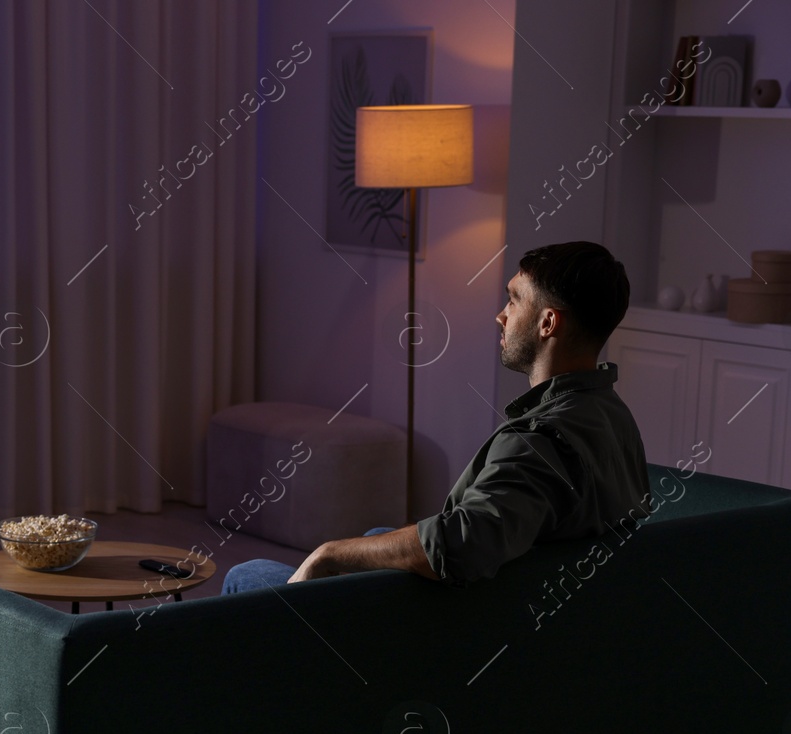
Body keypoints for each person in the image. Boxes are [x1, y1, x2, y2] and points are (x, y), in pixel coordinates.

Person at [222, 240, 650, 593]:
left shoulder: (536, 442)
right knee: (377, 536)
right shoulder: (614, 417)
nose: (500, 315)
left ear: (547, 323)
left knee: (248, 574)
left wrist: (328, 553)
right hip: (548, 610)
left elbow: (460, 544)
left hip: (461, 632)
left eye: (514, 300)